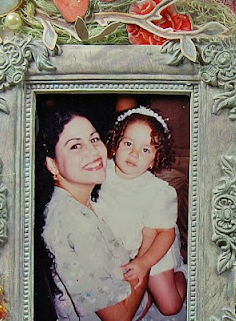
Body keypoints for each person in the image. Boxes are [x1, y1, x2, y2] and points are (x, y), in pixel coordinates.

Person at [36, 109, 152, 321]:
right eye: (75, 146)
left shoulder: (81, 201)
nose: (93, 152)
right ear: (52, 164)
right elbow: (118, 317)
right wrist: (147, 255)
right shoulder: (75, 223)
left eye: (94, 139)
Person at [94, 107, 187, 316]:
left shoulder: (158, 192)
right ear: (115, 145)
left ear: (154, 160)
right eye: (128, 144)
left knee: (170, 307)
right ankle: (145, 294)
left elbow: (166, 233)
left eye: (146, 150)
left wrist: (145, 263)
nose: (134, 153)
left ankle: (183, 274)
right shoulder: (101, 172)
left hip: (152, 248)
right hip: (116, 248)